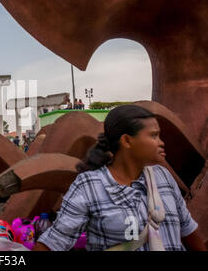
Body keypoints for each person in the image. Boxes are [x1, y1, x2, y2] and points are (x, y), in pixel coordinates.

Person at [33, 105, 206, 251]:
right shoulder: (89, 186)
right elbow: (53, 243)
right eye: (153, 135)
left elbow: (188, 232)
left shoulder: (163, 177)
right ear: (127, 141)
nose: (161, 142)